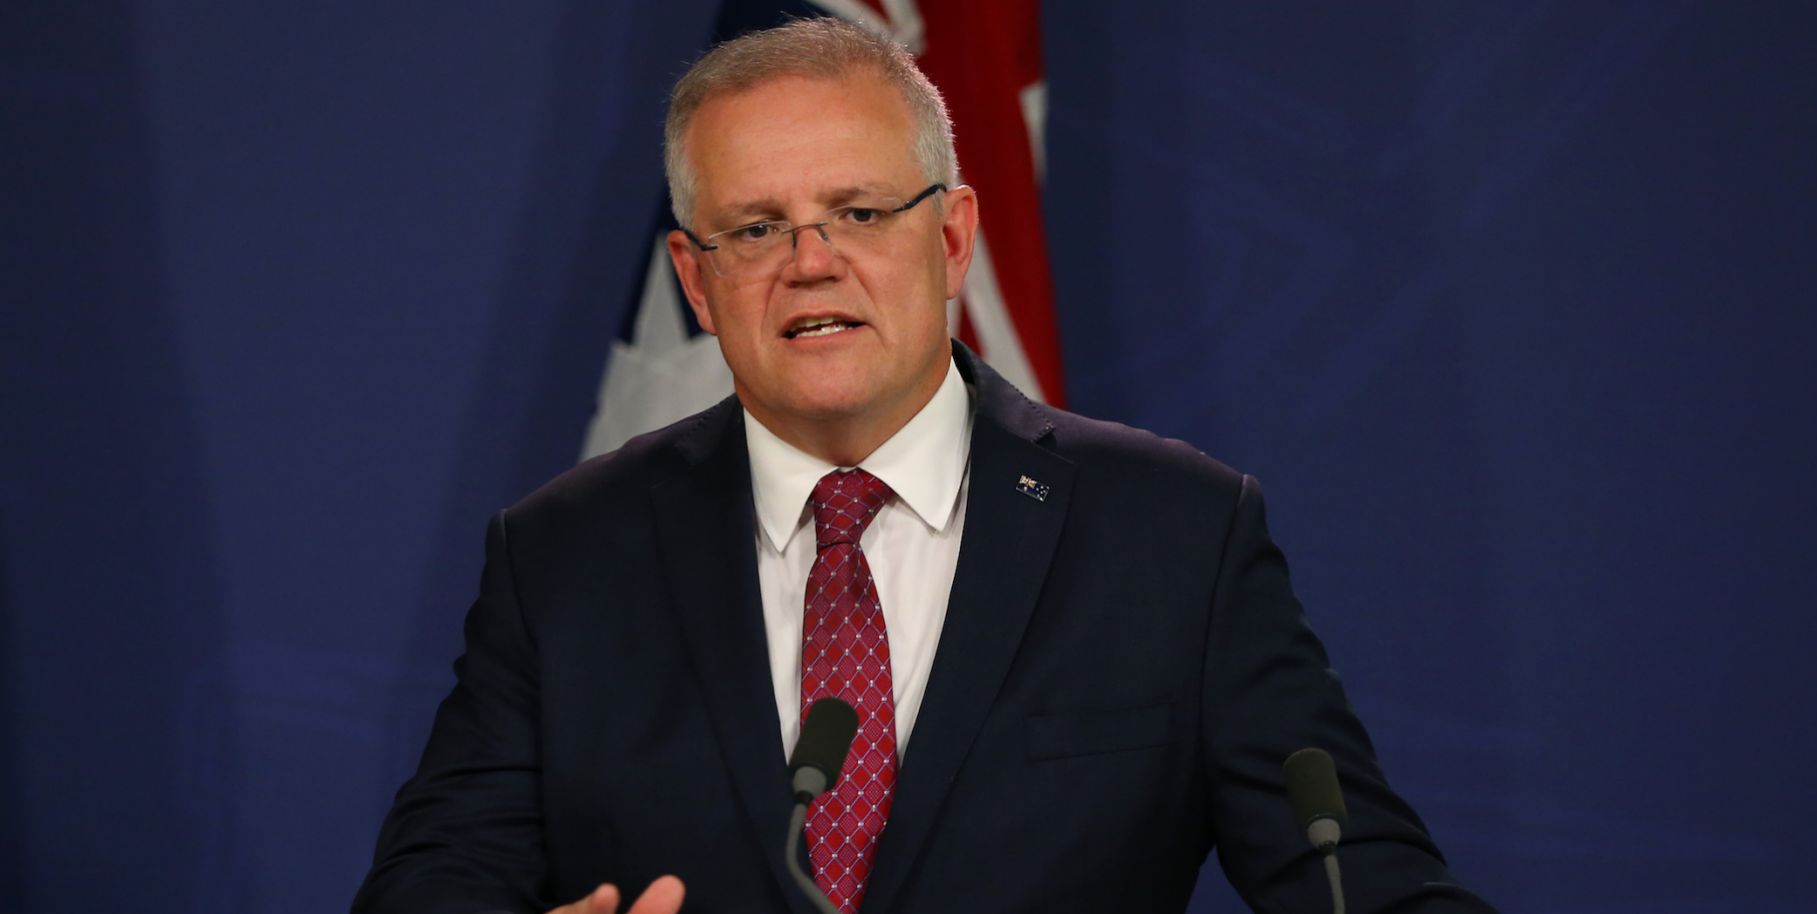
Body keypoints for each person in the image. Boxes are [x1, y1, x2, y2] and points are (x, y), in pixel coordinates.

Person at [354, 18, 1494, 914]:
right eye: (754, 229)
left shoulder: (1176, 537)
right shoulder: (564, 554)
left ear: (951, 238)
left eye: (857, 210)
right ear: (696, 283)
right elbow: (430, 881)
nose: (812, 263)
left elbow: (1366, 883)